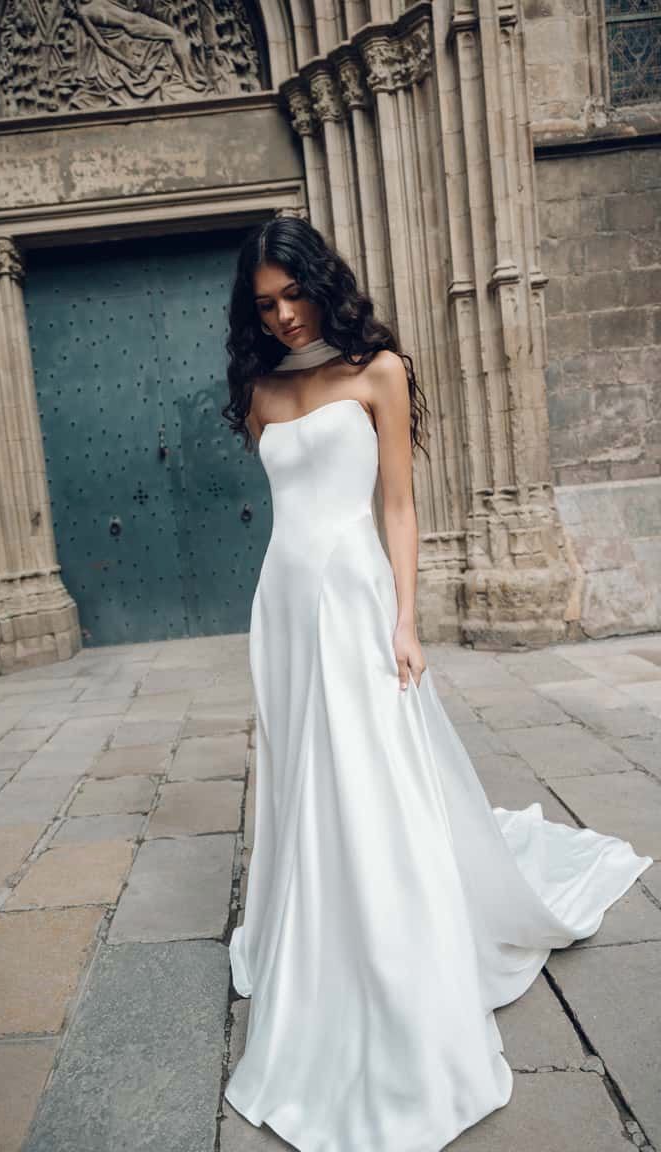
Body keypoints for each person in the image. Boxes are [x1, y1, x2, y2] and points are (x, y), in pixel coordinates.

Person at [220, 216, 652, 1152]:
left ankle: (392, 936)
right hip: (284, 604)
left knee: (369, 764)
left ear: (322, 283)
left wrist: (406, 619)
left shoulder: (379, 370)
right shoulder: (259, 389)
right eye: (265, 305)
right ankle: (308, 922)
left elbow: (398, 506)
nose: (284, 315)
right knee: (302, 769)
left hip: (356, 596)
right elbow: (290, 510)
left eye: (293, 295)